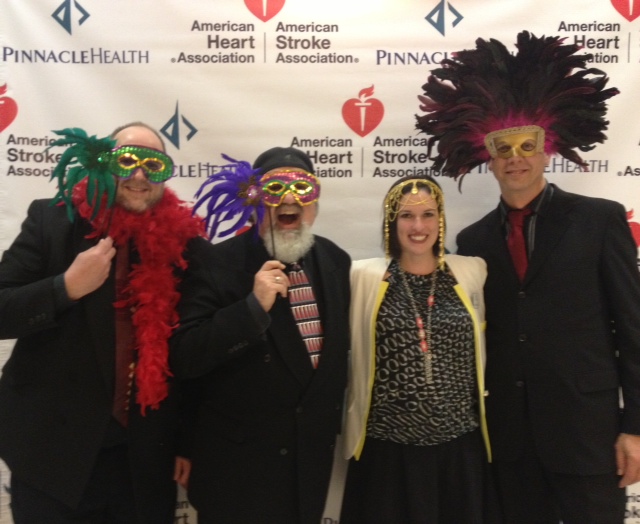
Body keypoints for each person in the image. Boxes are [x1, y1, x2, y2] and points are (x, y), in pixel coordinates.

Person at [417, 31, 640, 523]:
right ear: (488, 156)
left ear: (547, 148)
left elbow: (634, 328)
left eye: (526, 145)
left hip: (587, 435)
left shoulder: (599, 220)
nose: (515, 157)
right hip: (510, 441)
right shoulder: (473, 241)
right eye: (503, 148)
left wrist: (635, 428)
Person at [0, 123, 204, 523]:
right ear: (102, 163)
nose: (140, 175)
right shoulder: (52, 220)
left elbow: (193, 350)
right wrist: (65, 288)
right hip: (52, 455)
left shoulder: (184, 245)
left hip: (144, 461)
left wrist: (187, 441)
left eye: (154, 165)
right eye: (127, 161)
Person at [169, 147, 351, 523]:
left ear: (315, 203)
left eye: (302, 188)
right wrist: (251, 309)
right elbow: (185, 356)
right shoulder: (217, 262)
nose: (289, 200)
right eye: (274, 189)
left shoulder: (335, 260)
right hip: (239, 476)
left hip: (308, 472)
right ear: (254, 200)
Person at [340, 175, 490, 523]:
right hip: (387, 453)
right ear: (392, 223)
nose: (418, 226)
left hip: (458, 450)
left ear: (441, 219)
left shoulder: (471, 271)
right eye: (406, 215)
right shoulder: (361, 277)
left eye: (428, 214)